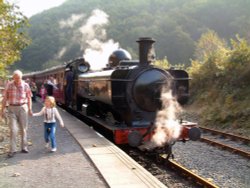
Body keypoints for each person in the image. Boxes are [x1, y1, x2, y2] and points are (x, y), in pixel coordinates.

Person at [0, 70, 32, 157]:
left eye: (19, 78)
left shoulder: (26, 85)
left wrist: (30, 109)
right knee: (13, 130)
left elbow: (29, 98)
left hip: (22, 108)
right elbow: (4, 99)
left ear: (21, 77)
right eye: (16, 78)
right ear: (13, 77)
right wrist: (2, 110)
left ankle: (24, 147)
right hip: (11, 108)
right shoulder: (9, 85)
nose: (18, 80)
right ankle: (12, 150)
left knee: (23, 129)